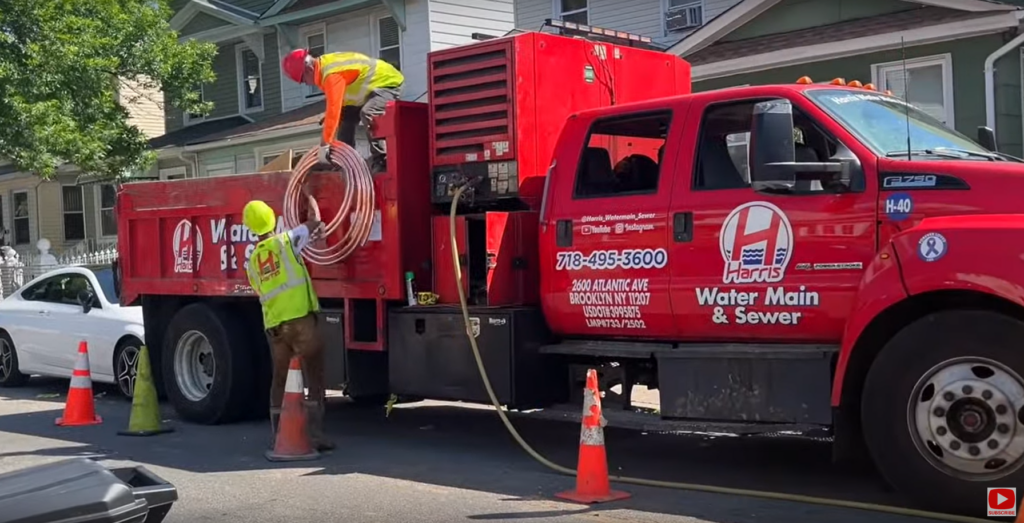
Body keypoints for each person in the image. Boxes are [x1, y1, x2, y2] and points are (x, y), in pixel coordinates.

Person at [242, 199, 335, 451]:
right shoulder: (286, 241)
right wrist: (309, 194)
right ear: (273, 218)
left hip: (275, 328)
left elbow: (260, 290)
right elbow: (314, 222)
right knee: (314, 375)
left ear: (250, 227)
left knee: (280, 379)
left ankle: (280, 435)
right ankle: (314, 435)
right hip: (301, 321)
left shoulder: (252, 262)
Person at [281, 48, 404, 172]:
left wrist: (325, 146)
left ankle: (381, 159)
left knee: (369, 112)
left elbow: (333, 110)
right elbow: (339, 102)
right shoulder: (323, 70)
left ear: (308, 69)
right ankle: (345, 163)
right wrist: (333, 116)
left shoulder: (331, 74)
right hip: (368, 91)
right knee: (344, 120)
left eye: (302, 80)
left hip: (387, 82)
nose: (306, 84)